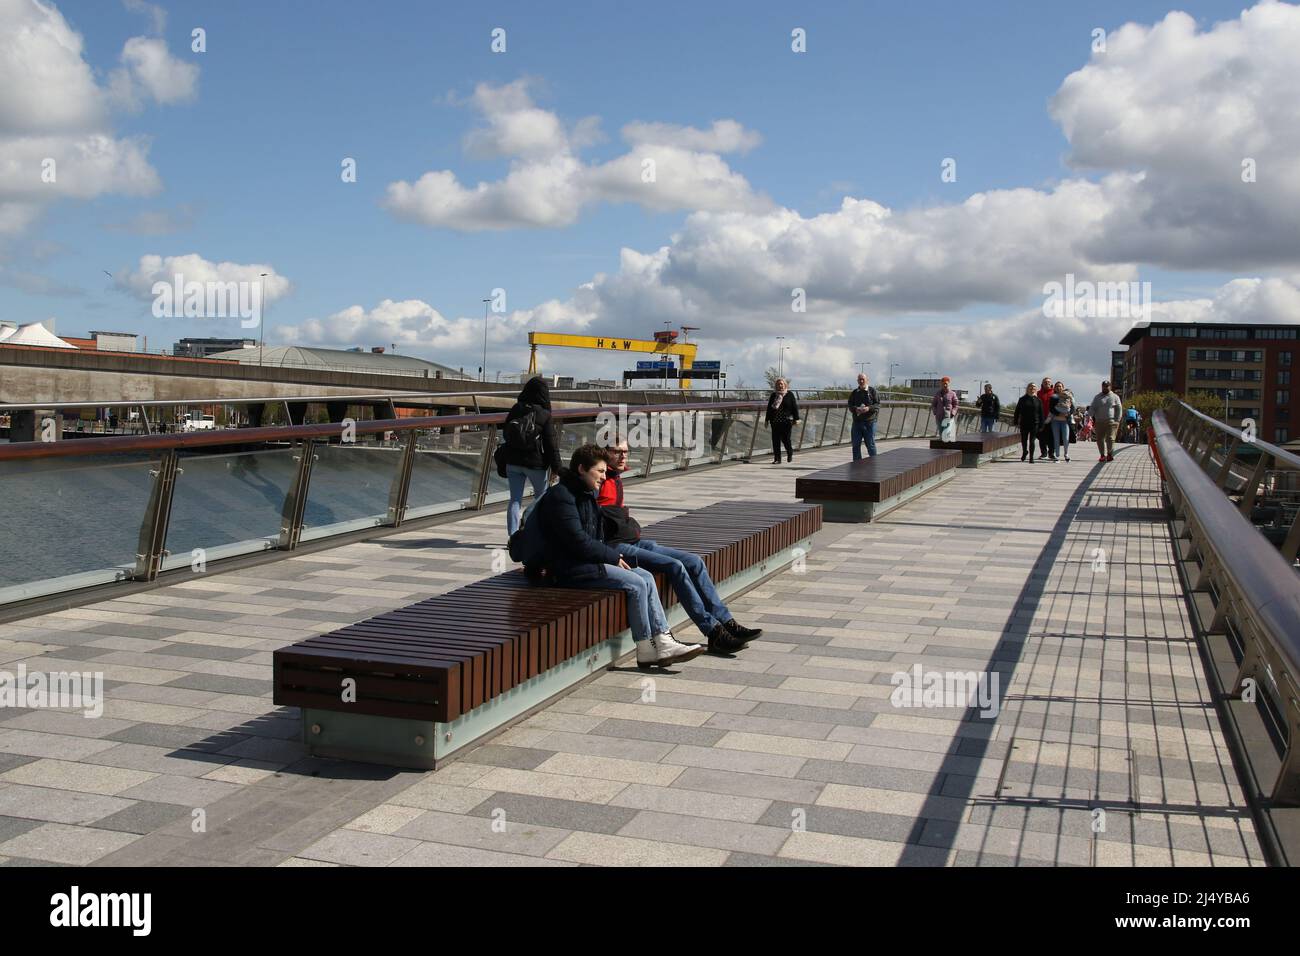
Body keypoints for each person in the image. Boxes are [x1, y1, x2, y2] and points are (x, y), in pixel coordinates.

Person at [534, 444, 704, 669]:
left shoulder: (585, 494)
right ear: (582, 469)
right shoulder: (562, 497)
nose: (605, 478)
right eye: (600, 472)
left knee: (645, 576)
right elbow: (577, 542)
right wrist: (611, 557)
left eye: (605, 472)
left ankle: (662, 641)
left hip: (587, 561)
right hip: (567, 568)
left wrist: (610, 554)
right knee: (635, 582)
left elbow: (595, 538)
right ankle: (644, 646)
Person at [599, 441, 762, 654]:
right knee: (674, 565)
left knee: (694, 561)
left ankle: (726, 621)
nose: (623, 457)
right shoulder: (599, 480)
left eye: (626, 452)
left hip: (632, 540)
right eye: (616, 452)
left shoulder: (616, 477)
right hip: (616, 547)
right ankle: (713, 632)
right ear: (604, 453)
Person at [500, 376, 563, 536]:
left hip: (513, 462)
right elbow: (551, 444)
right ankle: (533, 529)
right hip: (535, 464)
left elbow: (506, 432)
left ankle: (513, 536)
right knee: (541, 498)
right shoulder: (544, 414)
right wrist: (557, 468)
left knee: (515, 500)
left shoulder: (516, 408)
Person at [765, 378, 800, 464]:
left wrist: (796, 419)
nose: (780, 385)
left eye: (781, 384)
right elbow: (769, 408)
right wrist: (767, 419)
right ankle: (777, 459)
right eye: (778, 384)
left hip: (786, 422)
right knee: (775, 440)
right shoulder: (773, 395)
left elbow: (794, 407)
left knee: (786, 439)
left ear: (785, 385)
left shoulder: (790, 395)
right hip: (775, 421)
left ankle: (789, 451)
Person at [847, 372, 880, 460]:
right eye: (859, 379)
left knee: (870, 444)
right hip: (857, 423)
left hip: (869, 423)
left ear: (867, 380)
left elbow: (877, 405)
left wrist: (868, 408)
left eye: (863, 379)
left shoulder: (872, 391)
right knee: (855, 445)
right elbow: (850, 405)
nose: (861, 381)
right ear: (857, 381)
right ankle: (857, 465)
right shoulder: (854, 392)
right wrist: (855, 409)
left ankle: (874, 463)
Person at [1090, 380, 1122, 462]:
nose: (1105, 387)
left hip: (1111, 421)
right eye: (1104, 386)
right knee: (1099, 439)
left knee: (1110, 438)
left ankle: (1110, 454)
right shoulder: (1097, 397)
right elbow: (1092, 407)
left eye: (1107, 386)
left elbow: (1119, 408)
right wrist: (1090, 415)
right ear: (1102, 387)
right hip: (1099, 421)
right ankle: (1102, 455)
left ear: (1110, 387)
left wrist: (1117, 420)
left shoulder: (1115, 397)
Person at [1013, 382, 1042, 462]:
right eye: (1030, 386)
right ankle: (1025, 452)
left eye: (1034, 387)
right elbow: (1017, 411)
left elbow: (1041, 413)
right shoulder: (1022, 399)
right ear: (1027, 388)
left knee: (1032, 441)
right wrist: (1015, 421)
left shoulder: (1038, 400)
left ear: (1036, 389)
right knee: (1024, 440)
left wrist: (1041, 425)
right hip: (1024, 422)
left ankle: (1031, 458)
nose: (1032, 388)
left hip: (1035, 423)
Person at [1048, 381, 1073, 462]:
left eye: (1060, 386)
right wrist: (1059, 414)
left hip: (1065, 421)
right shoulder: (1053, 397)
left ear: (1063, 387)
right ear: (1054, 388)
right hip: (1055, 420)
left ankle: (1066, 454)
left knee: (1066, 438)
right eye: (1057, 386)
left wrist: (1068, 414)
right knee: (1056, 438)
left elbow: (1073, 407)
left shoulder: (1068, 396)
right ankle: (1057, 455)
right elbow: (1051, 408)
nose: (1059, 388)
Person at [1035, 376, 1055, 459]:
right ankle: (1044, 453)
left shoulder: (1054, 393)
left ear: (1051, 384)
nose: (1047, 383)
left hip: (1052, 418)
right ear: (1042, 384)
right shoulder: (1038, 393)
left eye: (1048, 382)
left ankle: (1051, 453)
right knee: (1041, 436)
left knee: (1051, 437)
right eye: (1045, 382)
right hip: (1041, 418)